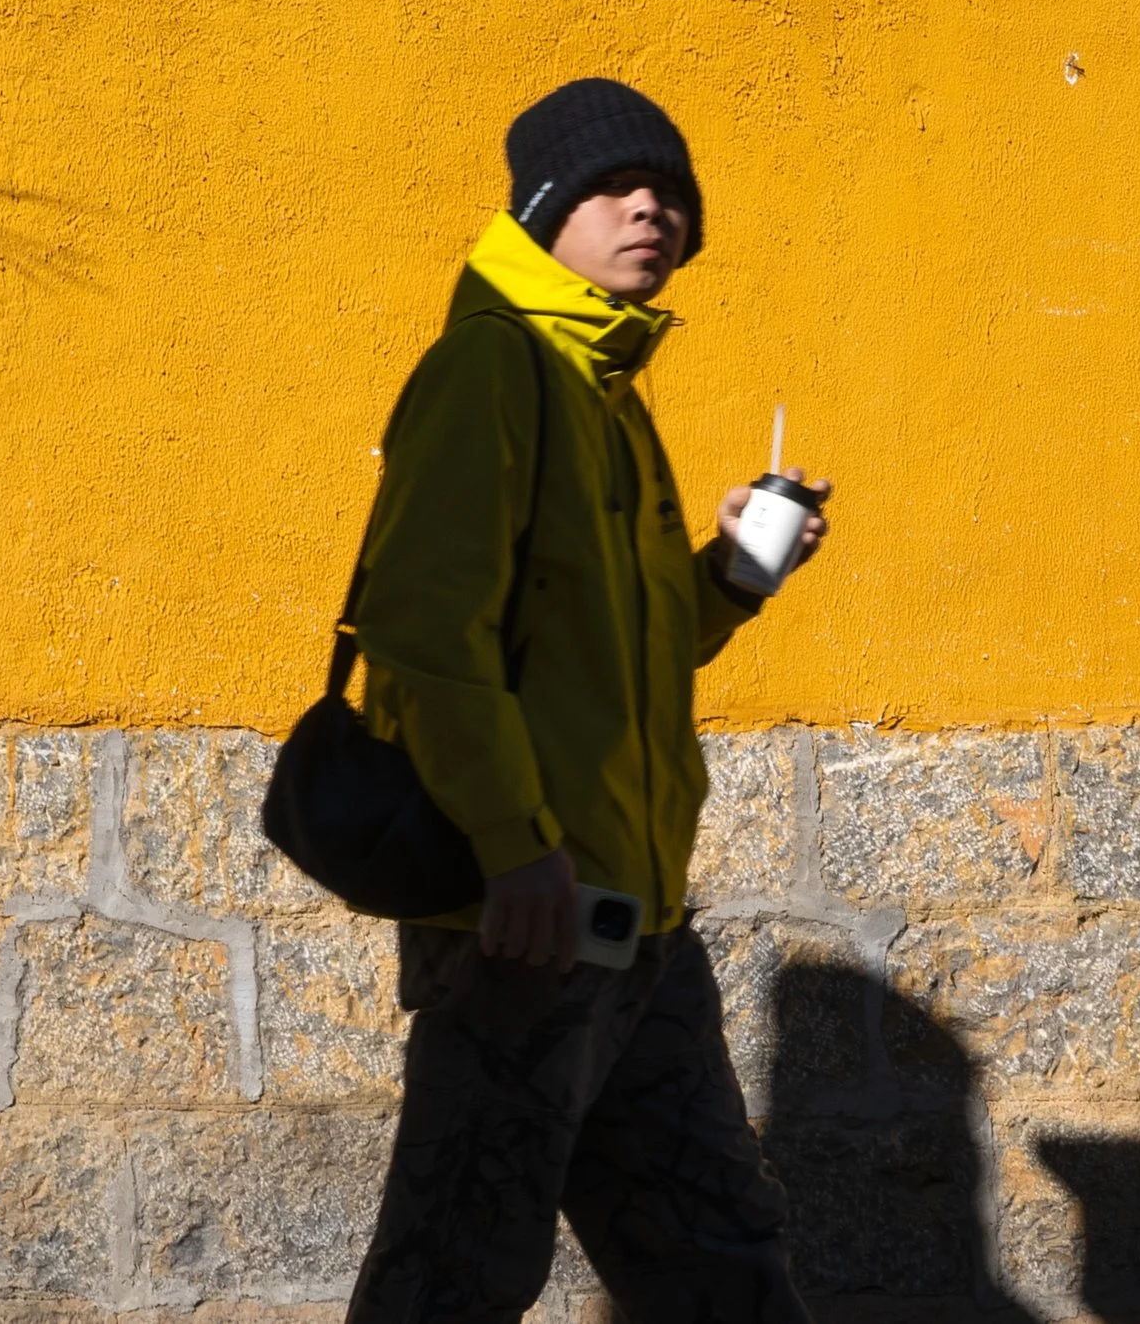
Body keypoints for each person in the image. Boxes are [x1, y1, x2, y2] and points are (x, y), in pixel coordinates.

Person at [344, 78, 830, 1324]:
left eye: (671, 192)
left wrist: (730, 576)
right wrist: (515, 848)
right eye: (620, 187)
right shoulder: (492, 371)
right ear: (548, 207)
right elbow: (421, 636)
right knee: (452, 1271)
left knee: (719, 1261)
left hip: (633, 924)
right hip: (528, 922)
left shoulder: (610, 392)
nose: (652, 209)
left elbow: (625, 651)